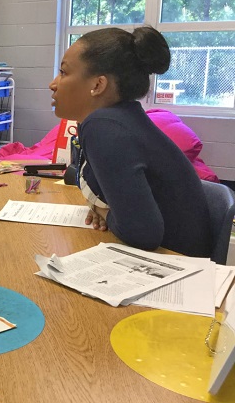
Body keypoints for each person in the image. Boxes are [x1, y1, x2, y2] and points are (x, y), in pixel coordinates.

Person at [48, 26, 213, 257]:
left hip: (174, 265)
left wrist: (102, 210)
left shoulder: (104, 126)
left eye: (64, 72)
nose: (53, 84)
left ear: (98, 85)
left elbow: (143, 234)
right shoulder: (120, 119)